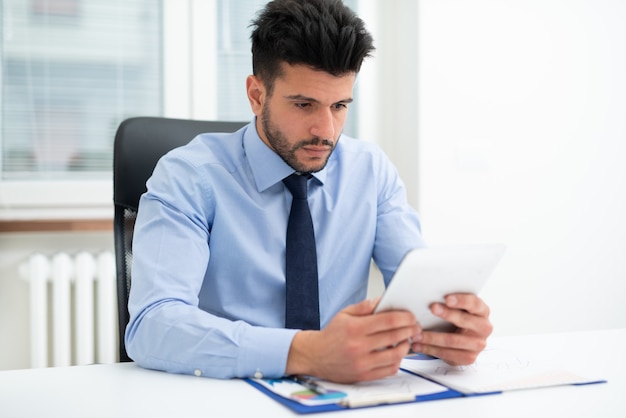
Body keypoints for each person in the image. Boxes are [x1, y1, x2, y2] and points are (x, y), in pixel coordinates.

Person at [125, 0, 492, 384]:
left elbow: (420, 296)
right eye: (304, 104)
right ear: (256, 95)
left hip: (343, 395)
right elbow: (152, 326)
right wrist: (305, 353)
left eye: (339, 105)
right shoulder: (189, 176)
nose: (326, 130)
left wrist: (450, 330)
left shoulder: (370, 171)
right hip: (228, 392)